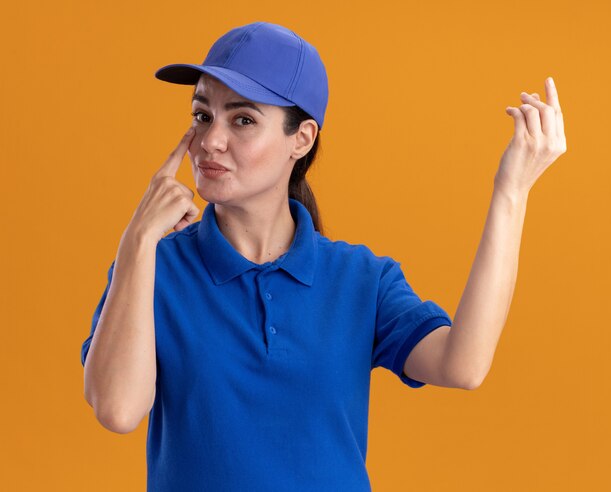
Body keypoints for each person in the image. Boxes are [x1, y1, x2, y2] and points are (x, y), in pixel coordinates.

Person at [80, 21, 567, 492]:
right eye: (202, 115)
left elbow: (463, 365)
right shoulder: (153, 269)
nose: (210, 140)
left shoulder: (360, 279)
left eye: (243, 119)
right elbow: (118, 410)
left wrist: (511, 192)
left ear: (302, 138)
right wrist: (138, 240)